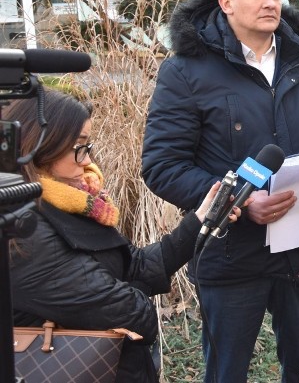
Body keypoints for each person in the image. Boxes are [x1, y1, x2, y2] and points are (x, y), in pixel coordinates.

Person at [141, 0, 299, 383]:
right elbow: (162, 165)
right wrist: (239, 201)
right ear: (227, 3)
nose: (270, 2)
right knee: (226, 373)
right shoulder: (185, 71)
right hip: (230, 255)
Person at [8, 89, 239, 383]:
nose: (88, 159)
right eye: (78, 147)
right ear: (39, 146)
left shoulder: (72, 202)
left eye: (88, 145)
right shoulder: (22, 231)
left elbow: (133, 265)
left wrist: (199, 221)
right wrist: (127, 289)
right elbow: (131, 313)